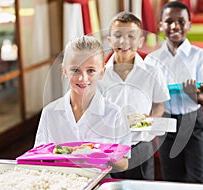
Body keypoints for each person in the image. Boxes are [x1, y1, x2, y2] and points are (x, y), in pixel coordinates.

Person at [144, 1, 203, 183]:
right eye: (169, 21)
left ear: (189, 24)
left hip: (192, 122)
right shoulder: (152, 60)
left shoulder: (200, 56)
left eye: (181, 21)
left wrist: (199, 96)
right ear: (160, 25)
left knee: (200, 178)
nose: (175, 26)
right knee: (172, 179)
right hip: (166, 123)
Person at [34, 35, 131, 172]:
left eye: (90, 71)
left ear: (102, 72)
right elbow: (38, 157)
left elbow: (124, 164)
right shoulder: (50, 112)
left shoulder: (115, 113)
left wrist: (101, 155)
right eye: (75, 70)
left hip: (98, 183)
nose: (82, 78)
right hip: (58, 181)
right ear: (64, 71)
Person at [97, 11, 170, 180]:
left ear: (140, 41)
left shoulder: (152, 72)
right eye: (118, 35)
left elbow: (159, 105)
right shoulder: (99, 75)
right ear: (109, 40)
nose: (124, 42)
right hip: (108, 145)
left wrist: (150, 119)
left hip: (141, 144)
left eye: (131, 36)